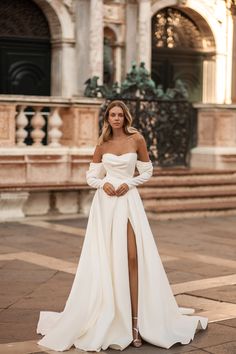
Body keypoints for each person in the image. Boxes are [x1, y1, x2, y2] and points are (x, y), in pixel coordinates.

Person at [36, 100, 208, 352]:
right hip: (106, 204)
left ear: (125, 117)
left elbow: (148, 171)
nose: (116, 118)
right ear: (107, 118)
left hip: (128, 200)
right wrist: (102, 184)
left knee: (132, 256)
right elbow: (91, 176)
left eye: (119, 114)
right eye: (111, 114)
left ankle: (136, 322)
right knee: (107, 258)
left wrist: (130, 182)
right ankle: (113, 316)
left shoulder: (136, 139)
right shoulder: (102, 142)